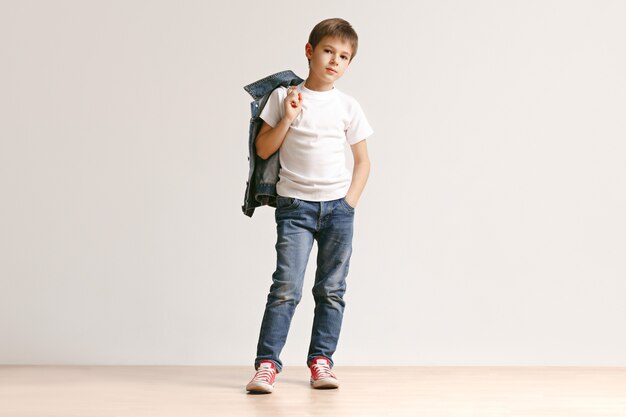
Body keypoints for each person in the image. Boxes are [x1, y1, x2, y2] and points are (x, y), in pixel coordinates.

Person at [246, 17, 374, 394]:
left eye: (344, 56)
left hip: (337, 211)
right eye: (328, 51)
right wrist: (288, 117)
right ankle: (267, 365)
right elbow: (264, 148)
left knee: (332, 290)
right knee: (286, 287)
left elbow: (364, 161)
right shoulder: (284, 97)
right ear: (309, 51)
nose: (335, 60)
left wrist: (348, 204)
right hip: (295, 209)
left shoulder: (348, 106)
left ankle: (321, 361)